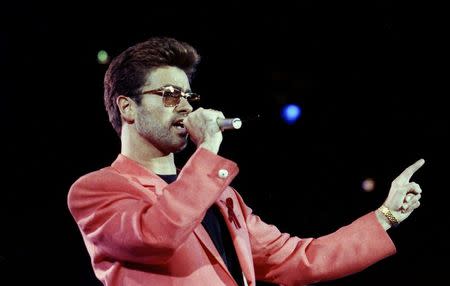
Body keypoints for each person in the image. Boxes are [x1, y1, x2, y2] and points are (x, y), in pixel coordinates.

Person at [67, 37, 424, 286]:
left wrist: (385, 216)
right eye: (170, 95)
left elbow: (297, 258)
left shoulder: (221, 196)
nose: (187, 107)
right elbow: (157, 235)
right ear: (127, 107)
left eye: (188, 96)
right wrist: (207, 149)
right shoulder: (96, 190)